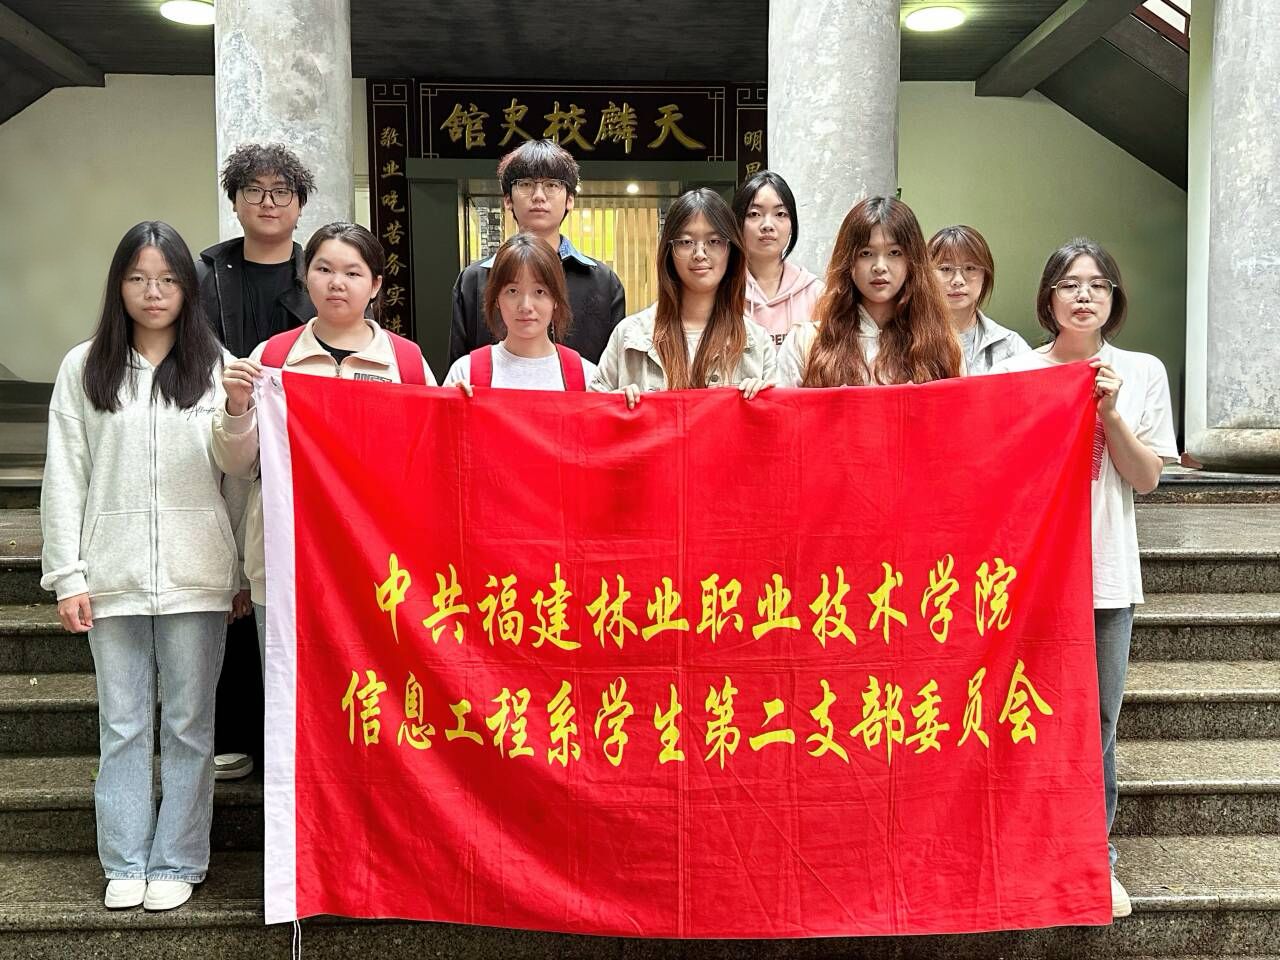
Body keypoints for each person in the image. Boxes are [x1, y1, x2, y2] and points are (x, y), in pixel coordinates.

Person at [41, 222, 246, 912]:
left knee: (190, 728)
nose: (153, 293)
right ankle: (125, 858)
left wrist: (239, 571)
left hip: (198, 574)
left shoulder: (218, 367)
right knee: (123, 725)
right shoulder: (83, 368)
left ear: (188, 287)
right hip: (112, 576)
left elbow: (239, 476)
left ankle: (179, 859)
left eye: (167, 279)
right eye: (138, 279)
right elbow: (65, 475)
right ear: (118, 286)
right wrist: (68, 575)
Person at [991, 238, 1178, 920]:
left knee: (1097, 723)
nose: (1083, 296)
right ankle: (1017, 853)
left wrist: (1109, 413)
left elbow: (1146, 477)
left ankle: (1096, 859)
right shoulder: (1015, 371)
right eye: (1070, 284)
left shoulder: (1140, 371)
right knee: (1022, 716)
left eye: (1098, 285)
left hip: (1104, 578)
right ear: (1048, 297)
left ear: (1113, 299)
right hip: (1030, 577)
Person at [214, 222, 437, 669]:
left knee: (373, 692)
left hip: (376, 566)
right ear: (305, 276)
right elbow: (238, 466)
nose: (337, 283)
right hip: (286, 563)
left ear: (375, 285)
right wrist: (237, 407)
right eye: (324, 269)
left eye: (353, 273)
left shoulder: (406, 364)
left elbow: (429, 462)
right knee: (290, 692)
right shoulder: (271, 359)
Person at [198, 143, 318, 782]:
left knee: (276, 588)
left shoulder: (318, 271)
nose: (268, 203)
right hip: (222, 434)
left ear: (299, 205)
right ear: (236, 201)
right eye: (254, 191)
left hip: (296, 454)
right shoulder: (206, 273)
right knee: (229, 588)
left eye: (281, 192)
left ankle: (288, 736)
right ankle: (232, 729)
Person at [589, 188, 775, 406]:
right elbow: (591, 414)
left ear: (731, 250)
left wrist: (765, 402)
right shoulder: (630, 336)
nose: (700, 254)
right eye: (686, 242)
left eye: (714, 241)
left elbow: (780, 422)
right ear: (669, 251)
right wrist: (612, 404)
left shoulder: (756, 343)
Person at [449, 139, 625, 365]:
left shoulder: (603, 281)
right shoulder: (474, 280)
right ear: (507, 200)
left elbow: (614, 371)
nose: (539, 195)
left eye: (552, 185)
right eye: (525, 184)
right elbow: (459, 370)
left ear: (570, 199)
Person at [777, 197, 962, 387]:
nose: (879, 267)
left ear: (912, 261)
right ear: (848, 261)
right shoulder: (806, 342)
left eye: (894, 252)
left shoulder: (943, 345)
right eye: (866, 253)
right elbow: (783, 405)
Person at [444, 233, 596, 392]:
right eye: (513, 291)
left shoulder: (587, 378)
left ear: (556, 299)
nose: (525, 306)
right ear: (496, 298)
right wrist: (449, 402)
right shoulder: (465, 372)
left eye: (539, 291)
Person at [732, 170, 824, 348]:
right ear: (737, 222)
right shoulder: (723, 292)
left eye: (780, 214)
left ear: (792, 225)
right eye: (754, 214)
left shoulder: (816, 294)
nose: (767, 225)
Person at [927, 224, 1030, 375]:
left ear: (985, 275)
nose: (958, 280)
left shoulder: (1010, 345)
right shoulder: (907, 342)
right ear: (926, 276)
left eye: (970, 268)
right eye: (946, 269)